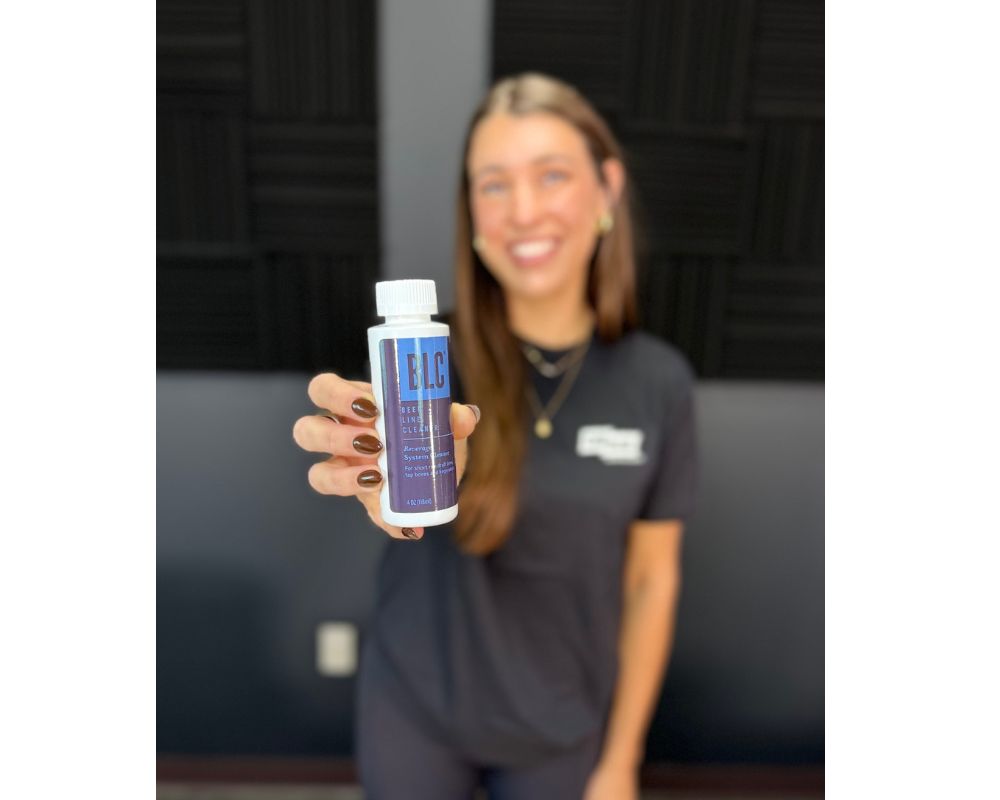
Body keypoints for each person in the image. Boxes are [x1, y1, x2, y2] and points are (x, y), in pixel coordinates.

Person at [291, 72, 698, 800]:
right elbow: (386, 482)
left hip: (562, 725)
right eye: (494, 184)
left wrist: (621, 760)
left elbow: (652, 579)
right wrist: (376, 480)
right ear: (472, 214)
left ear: (607, 189)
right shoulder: (421, 365)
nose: (525, 210)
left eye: (552, 175)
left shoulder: (659, 382)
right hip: (415, 706)